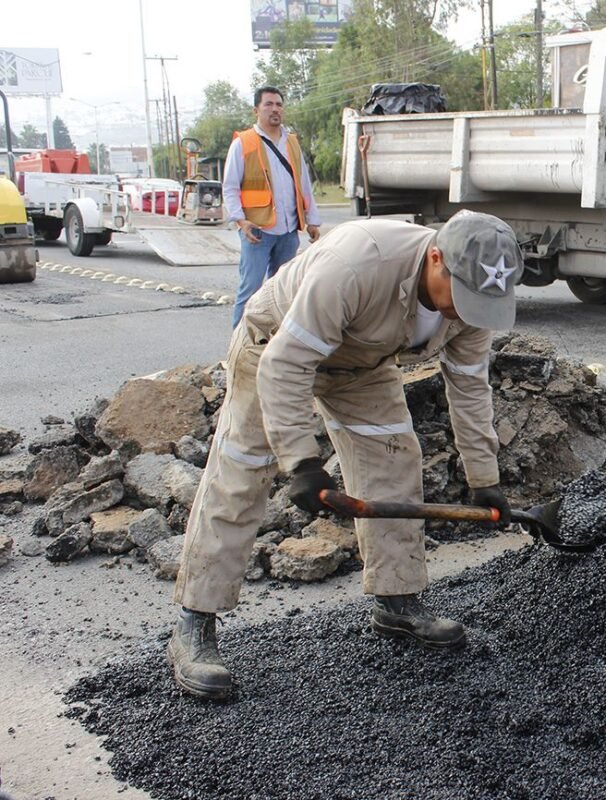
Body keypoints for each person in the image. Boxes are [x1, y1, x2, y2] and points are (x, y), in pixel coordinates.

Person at [167, 210, 524, 700]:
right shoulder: (358, 263)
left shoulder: (473, 307)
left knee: (394, 460)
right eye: (462, 297)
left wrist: (485, 478)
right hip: (272, 348)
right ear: (436, 259)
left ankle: (397, 599)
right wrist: (302, 463)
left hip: (362, 364)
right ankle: (194, 623)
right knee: (243, 472)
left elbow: (469, 389)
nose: (467, 312)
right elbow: (286, 364)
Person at [223, 86, 322, 328]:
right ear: (256, 109)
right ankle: (239, 351)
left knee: (282, 293)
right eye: (268, 104)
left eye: (279, 104)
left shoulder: (292, 143)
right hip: (257, 230)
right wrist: (240, 220)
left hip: (288, 230)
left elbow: (304, 183)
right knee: (250, 291)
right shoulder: (244, 143)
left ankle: (273, 347)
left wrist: (312, 219)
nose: (275, 109)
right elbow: (230, 187)